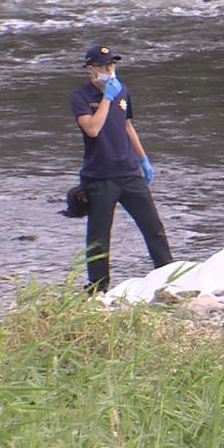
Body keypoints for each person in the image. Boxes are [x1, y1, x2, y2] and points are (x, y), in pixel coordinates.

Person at [70, 45, 173, 293]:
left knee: (153, 227)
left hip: (129, 173)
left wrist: (143, 158)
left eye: (112, 65)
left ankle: (168, 275)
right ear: (90, 70)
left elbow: (128, 126)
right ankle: (98, 288)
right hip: (100, 177)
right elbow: (92, 129)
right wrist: (106, 97)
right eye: (104, 67)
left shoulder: (122, 90)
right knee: (99, 238)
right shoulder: (81, 97)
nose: (109, 70)